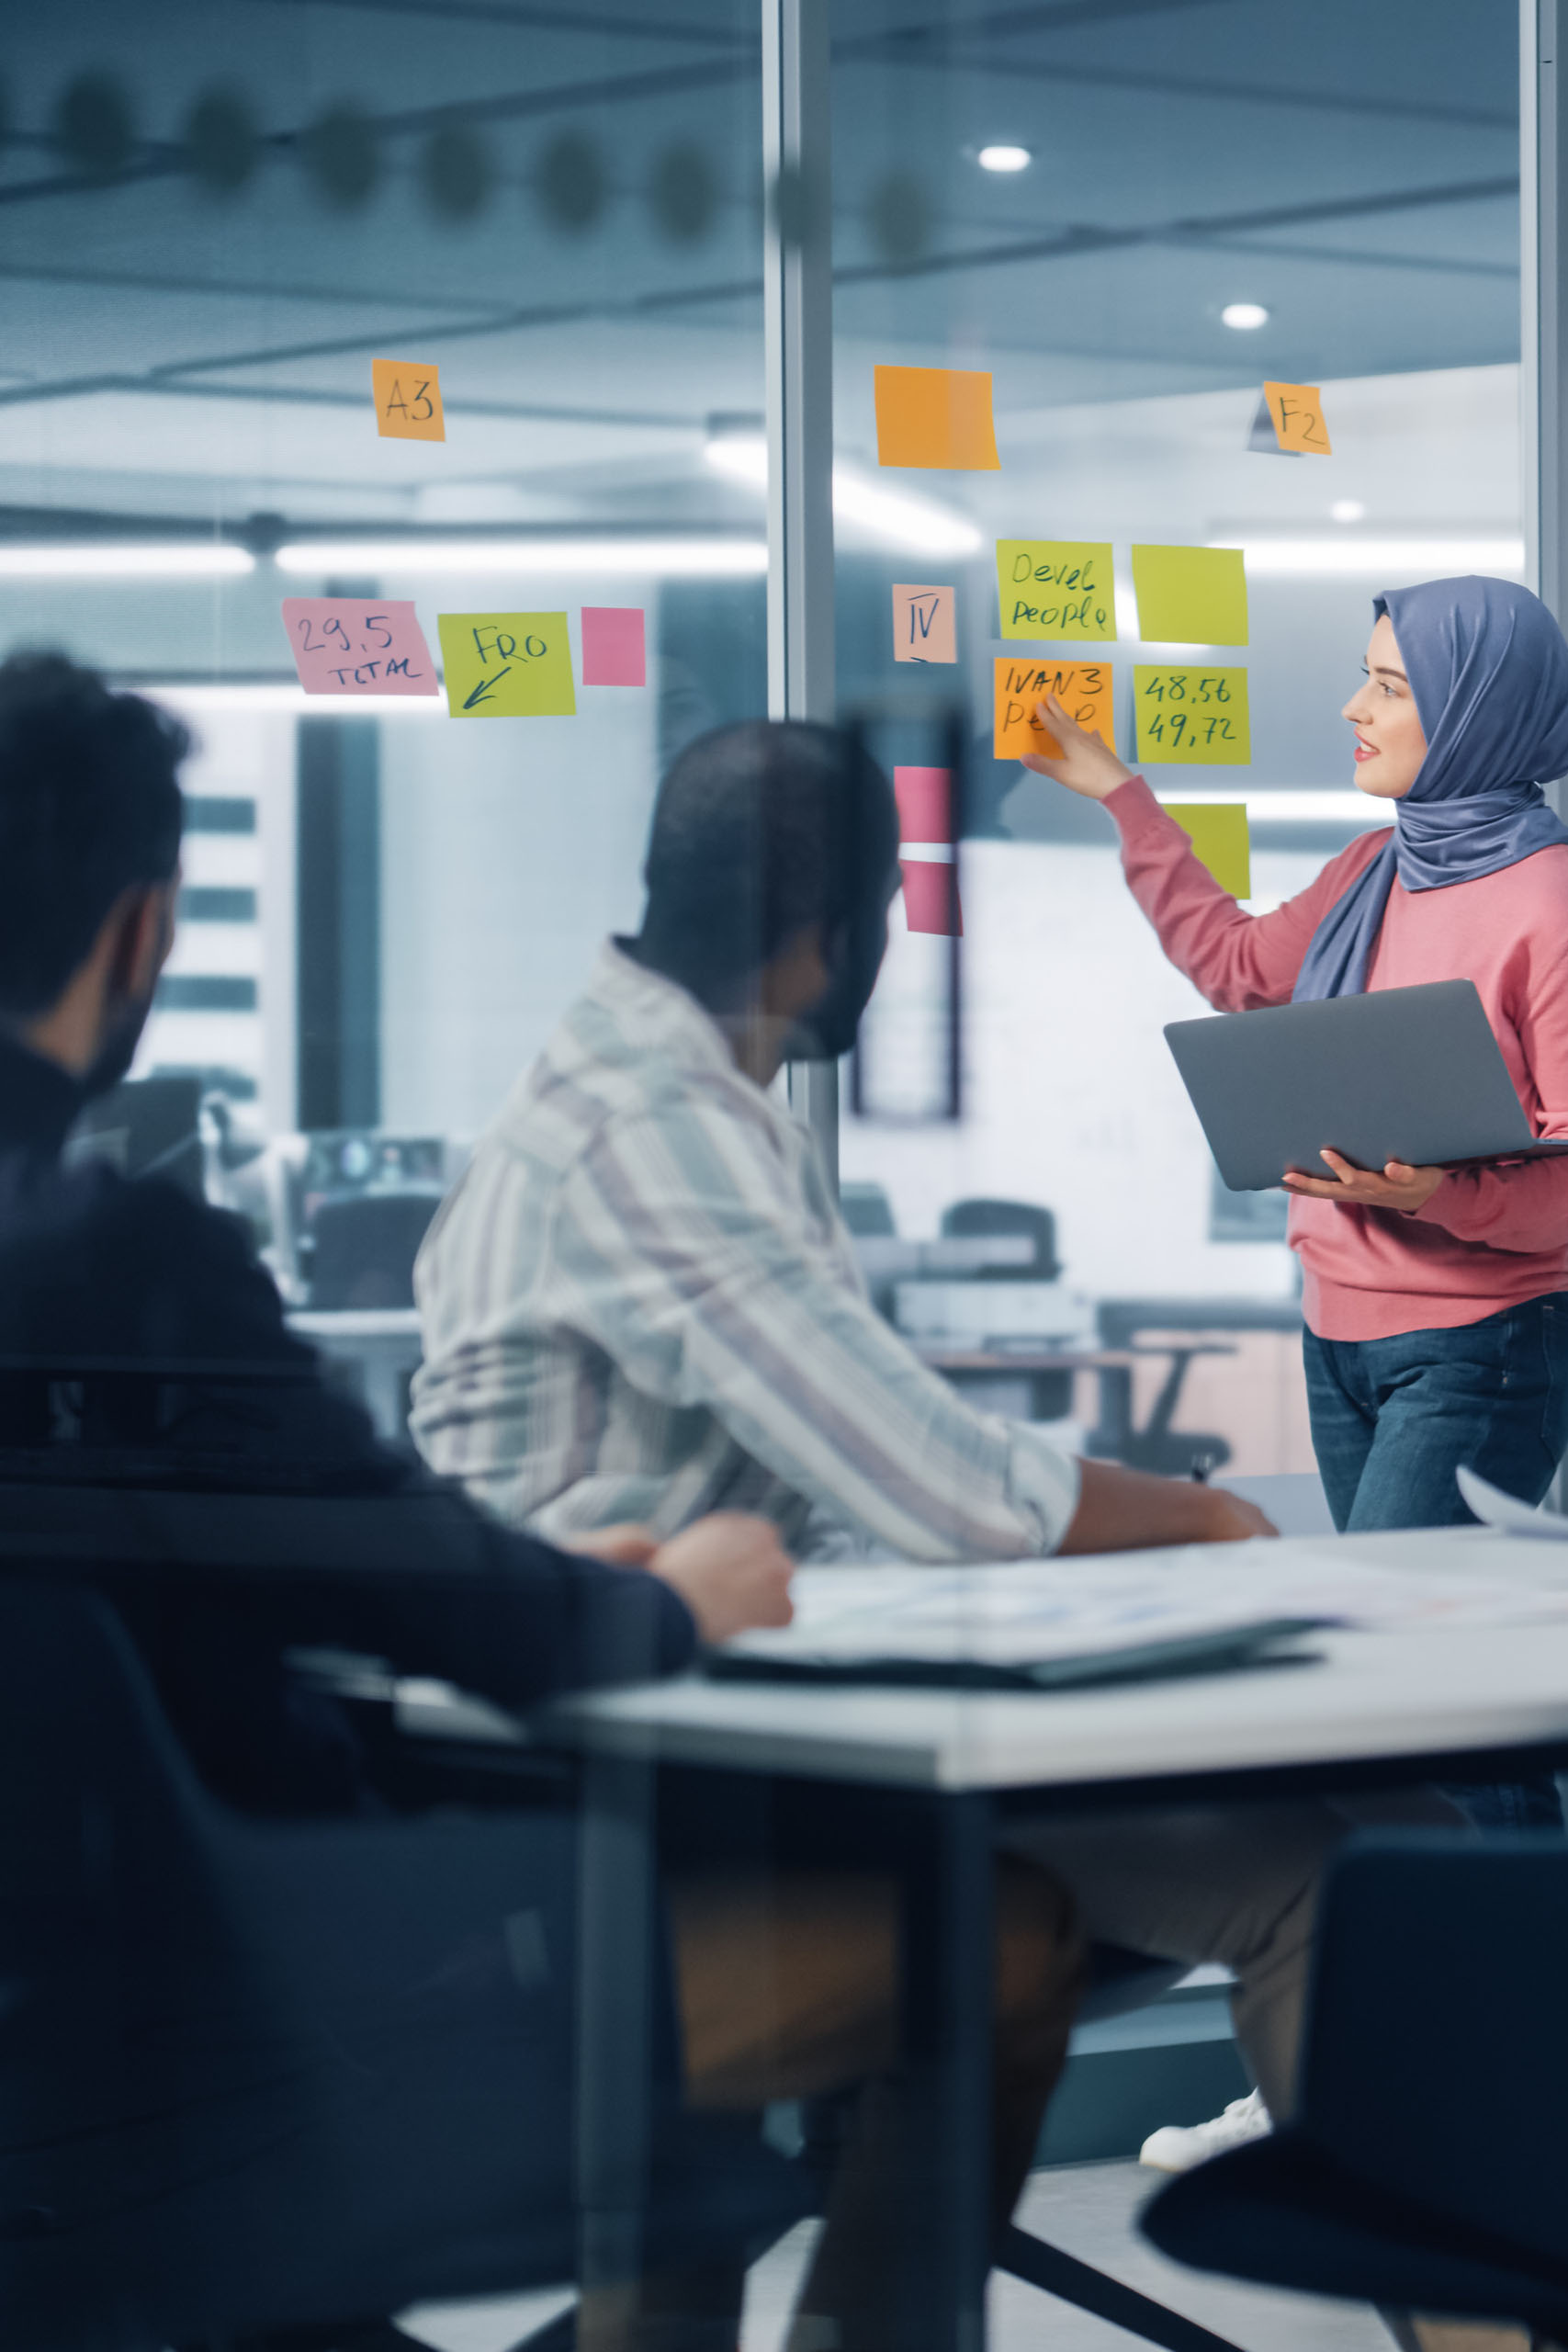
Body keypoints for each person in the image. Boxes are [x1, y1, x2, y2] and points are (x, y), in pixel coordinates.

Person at [0, 651, 1084, 2352]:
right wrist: (678, 1596)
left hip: (85, 2069)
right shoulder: (119, 1263)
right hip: (232, 2026)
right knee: (991, 1943)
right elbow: (461, 1613)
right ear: (139, 934)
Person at [411, 718, 1390, 2187]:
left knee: (1362, 1828)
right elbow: (939, 1484)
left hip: (681, 1743)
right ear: (817, 936)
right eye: (881, 914)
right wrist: (1204, 1524)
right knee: (1342, 1875)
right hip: (633, 1812)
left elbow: (834, 1495)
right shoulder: (654, 1128)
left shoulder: (641, 1094)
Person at [1025, 574, 1568, 1534]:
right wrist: (1123, 797)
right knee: (1386, 1627)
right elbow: (1237, 968)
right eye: (1367, 678)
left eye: (1392, 688)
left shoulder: (1559, 914)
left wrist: (1434, 1195)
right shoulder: (1373, 867)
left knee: (1396, 1636)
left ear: (1475, 710)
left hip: (1479, 1347)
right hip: (1333, 1330)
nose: (1355, 708)